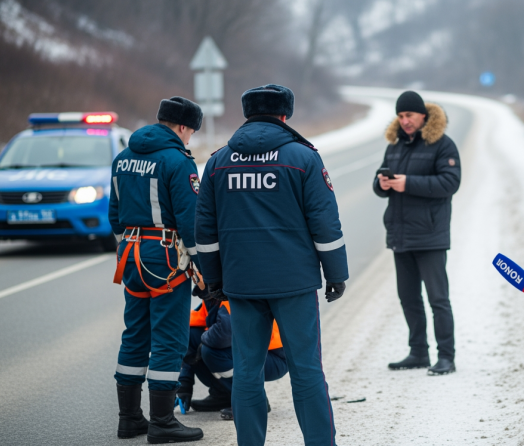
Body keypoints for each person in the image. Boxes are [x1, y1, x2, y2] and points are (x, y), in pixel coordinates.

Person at [195, 84, 348, 446]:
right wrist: (336, 274)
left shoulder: (218, 162)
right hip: (294, 284)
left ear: (248, 115)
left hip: (242, 285)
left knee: (247, 373)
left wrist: (214, 281)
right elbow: (325, 223)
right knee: (307, 371)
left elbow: (205, 231)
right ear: (285, 115)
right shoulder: (302, 157)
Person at [109, 96, 205, 443]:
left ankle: (130, 419)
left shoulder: (122, 158)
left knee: (135, 333)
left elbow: (114, 214)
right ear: (182, 127)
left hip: (131, 255)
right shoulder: (178, 162)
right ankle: (163, 421)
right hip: (165, 259)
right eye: (191, 131)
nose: (190, 138)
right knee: (169, 336)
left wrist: (128, 246)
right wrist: (202, 266)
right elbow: (190, 223)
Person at [373, 90, 461, 376]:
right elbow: (379, 183)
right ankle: (418, 352)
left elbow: (449, 183)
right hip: (400, 235)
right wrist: (382, 184)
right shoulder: (395, 145)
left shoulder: (442, 145)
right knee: (408, 298)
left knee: (438, 299)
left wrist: (407, 183)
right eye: (400, 116)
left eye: (409, 115)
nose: (405, 121)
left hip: (430, 235)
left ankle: (446, 356)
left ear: (423, 115)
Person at [177, 299, 288, 420]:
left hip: (273, 357)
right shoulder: (210, 298)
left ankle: (252, 399)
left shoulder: (228, 295)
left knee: (211, 351)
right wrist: (184, 383)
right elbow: (189, 331)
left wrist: (203, 342)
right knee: (190, 336)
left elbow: (223, 334)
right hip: (252, 353)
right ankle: (223, 395)